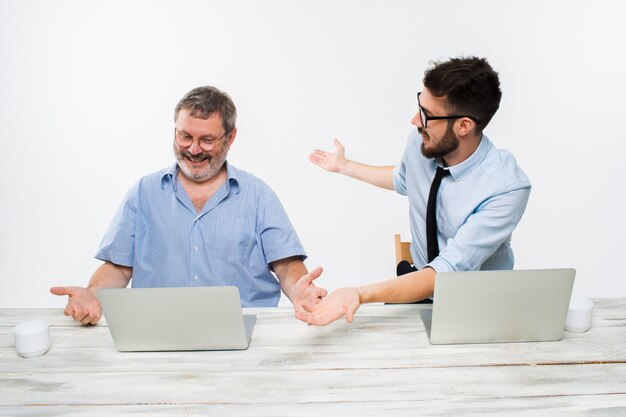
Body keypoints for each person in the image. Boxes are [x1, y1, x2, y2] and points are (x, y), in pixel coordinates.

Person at [51, 86, 326, 325]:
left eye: (207, 140)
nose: (193, 149)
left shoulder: (258, 196)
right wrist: (93, 293)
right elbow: (119, 266)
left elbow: (286, 264)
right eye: (185, 136)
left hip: (245, 337)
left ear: (230, 138)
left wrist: (301, 292)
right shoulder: (143, 193)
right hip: (157, 333)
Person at [300, 56, 531, 326]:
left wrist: (359, 294)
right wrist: (343, 166)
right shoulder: (422, 141)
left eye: (426, 115)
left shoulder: (506, 188)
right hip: (420, 292)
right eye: (419, 106)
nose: (414, 120)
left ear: (464, 125)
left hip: (478, 306)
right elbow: (402, 180)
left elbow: (450, 270)